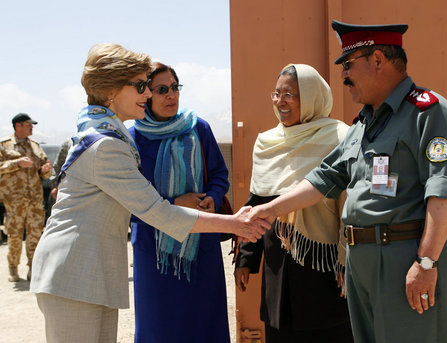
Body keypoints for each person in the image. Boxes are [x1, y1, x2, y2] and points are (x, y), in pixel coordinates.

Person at [29, 43, 268, 343]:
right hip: (77, 274)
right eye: (141, 86)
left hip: (90, 274)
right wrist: (235, 224)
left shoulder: (107, 132)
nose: (148, 94)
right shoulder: (108, 144)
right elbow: (158, 212)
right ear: (112, 90)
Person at [248, 22, 447, 343]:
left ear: (378, 61)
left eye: (349, 65)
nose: (343, 75)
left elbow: (444, 194)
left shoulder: (428, 113)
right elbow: (324, 179)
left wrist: (426, 262)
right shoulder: (362, 125)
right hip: (362, 266)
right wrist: (267, 210)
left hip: (406, 260)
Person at [234, 64, 353, 342]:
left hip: (324, 267)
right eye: (277, 94)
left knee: (328, 329)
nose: (281, 101)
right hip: (279, 269)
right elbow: (258, 202)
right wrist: (247, 258)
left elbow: (350, 203)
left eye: (291, 94)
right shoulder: (267, 142)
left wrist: (347, 259)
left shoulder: (339, 137)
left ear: (313, 97)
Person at [128, 62, 231, 342]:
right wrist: (174, 202)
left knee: (204, 321)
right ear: (146, 94)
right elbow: (128, 201)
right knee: (159, 325)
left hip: (201, 244)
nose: (171, 95)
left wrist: (213, 196)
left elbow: (220, 174)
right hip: (154, 252)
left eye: (175, 88)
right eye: (162, 90)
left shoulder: (199, 128)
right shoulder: (132, 139)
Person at [0, 113, 52, 282]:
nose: (32, 127)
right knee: (15, 235)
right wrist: (17, 163)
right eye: (29, 124)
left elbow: (45, 170)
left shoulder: (35, 146)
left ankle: (33, 269)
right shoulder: (4, 145)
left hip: (35, 200)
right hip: (14, 200)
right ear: (18, 125)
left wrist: (46, 170)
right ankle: (13, 269)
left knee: (35, 235)